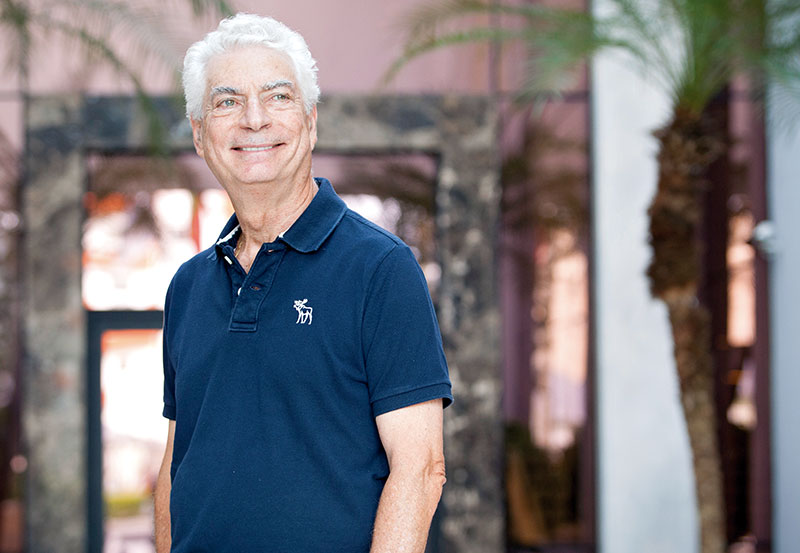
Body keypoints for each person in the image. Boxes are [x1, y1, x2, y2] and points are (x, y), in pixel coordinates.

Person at [154, 13, 453, 553]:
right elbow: (178, 460)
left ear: (311, 123)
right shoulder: (187, 287)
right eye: (227, 102)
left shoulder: (381, 269)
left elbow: (420, 467)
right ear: (199, 135)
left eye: (278, 97)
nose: (254, 120)